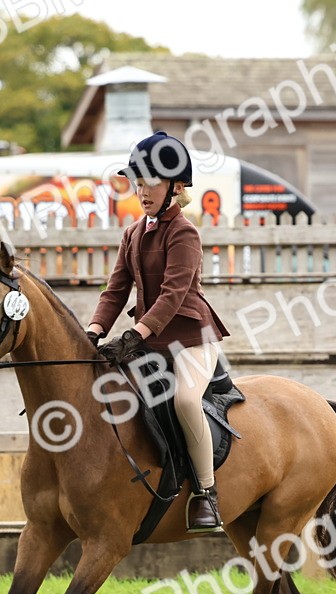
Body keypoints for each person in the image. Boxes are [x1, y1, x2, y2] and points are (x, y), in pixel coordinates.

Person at [87, 131, 231, 533]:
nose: (142, 191)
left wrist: (135, 334)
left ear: (176, 187)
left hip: (190, 338)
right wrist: (94, 330)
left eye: (151, 182)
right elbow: (115, 290)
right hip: (149, 339)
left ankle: (206, 493)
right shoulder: (132, 233)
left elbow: (172, 294)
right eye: (138, 182)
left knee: (185, 400)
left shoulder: (184, 233)